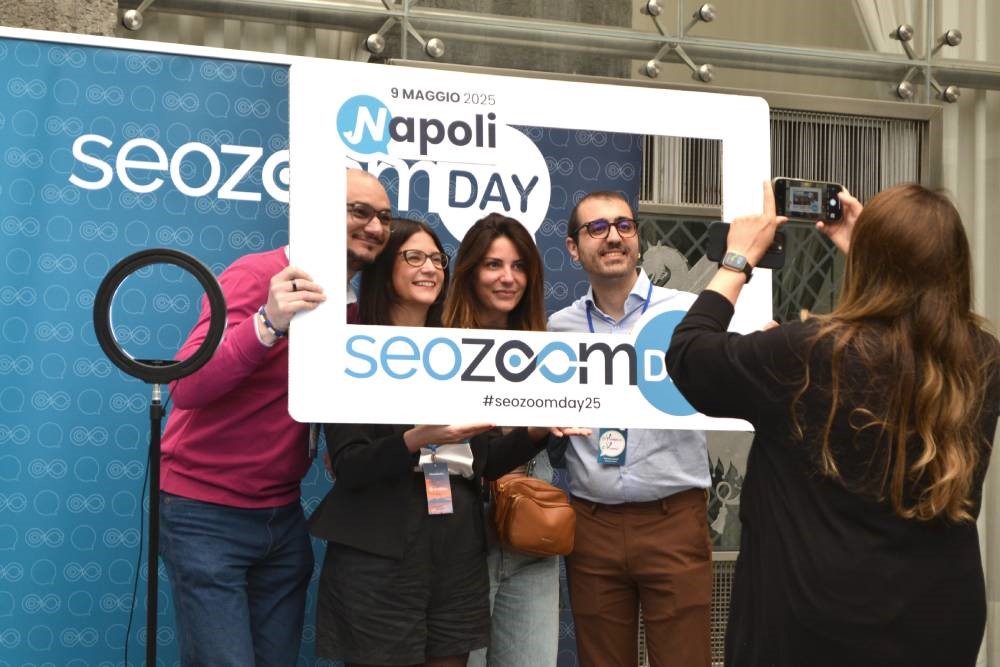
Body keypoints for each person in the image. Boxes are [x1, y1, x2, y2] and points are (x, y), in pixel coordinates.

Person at [666, 182, 1000, 667]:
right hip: (940, 623)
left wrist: (737, 260)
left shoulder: (807, 354)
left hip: (817, 626)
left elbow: (689, 355)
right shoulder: (982, 359)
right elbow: (908, 340)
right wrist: (876, 253)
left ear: (871, 263)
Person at [309, 218, 569, 667]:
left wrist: (537, 430)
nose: (429, 268)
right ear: (384, 269)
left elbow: (482, 462)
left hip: (457, 553)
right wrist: (418, 438)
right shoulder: (350, 350)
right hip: (379, 552)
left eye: (436, 258)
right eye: (414, 257)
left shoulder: (457, 351)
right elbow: (350, 464)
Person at [158, 168, 391, 666]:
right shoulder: (256, 274)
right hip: (205, 512)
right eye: (359, 211)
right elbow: (186, 385)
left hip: (283, 517)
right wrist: (267, 323)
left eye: (384, 217)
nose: (375, 227)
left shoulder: (358, 307)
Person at [547, 191, 713, 667]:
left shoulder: (688, 316)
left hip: (673, 519)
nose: (614, 236)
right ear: (574, 248)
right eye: (597, 228)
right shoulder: (557, 330)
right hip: (591, 525)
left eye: (624, 225)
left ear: (638, 239)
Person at [443, 213, 560, 667]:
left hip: (532, 528)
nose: (508, 278)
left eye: (519, 266)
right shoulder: (434, 344)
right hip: (460, 534)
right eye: (493, 265)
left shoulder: (552, 350)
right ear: (470, 271)